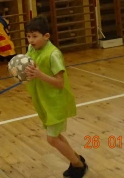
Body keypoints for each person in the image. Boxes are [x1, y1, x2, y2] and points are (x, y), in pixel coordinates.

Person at [24, 16, 88, 178]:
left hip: (55, 102)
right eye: (28, 36)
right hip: (43, 100)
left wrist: (39, 75)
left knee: (52, 139)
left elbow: (60, 83)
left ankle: (79, 165)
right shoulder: (32, 49)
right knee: (56, 136)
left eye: (34, 36)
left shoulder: (53, 54)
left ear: (46, 36)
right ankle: (76, 160)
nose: (31, 40)